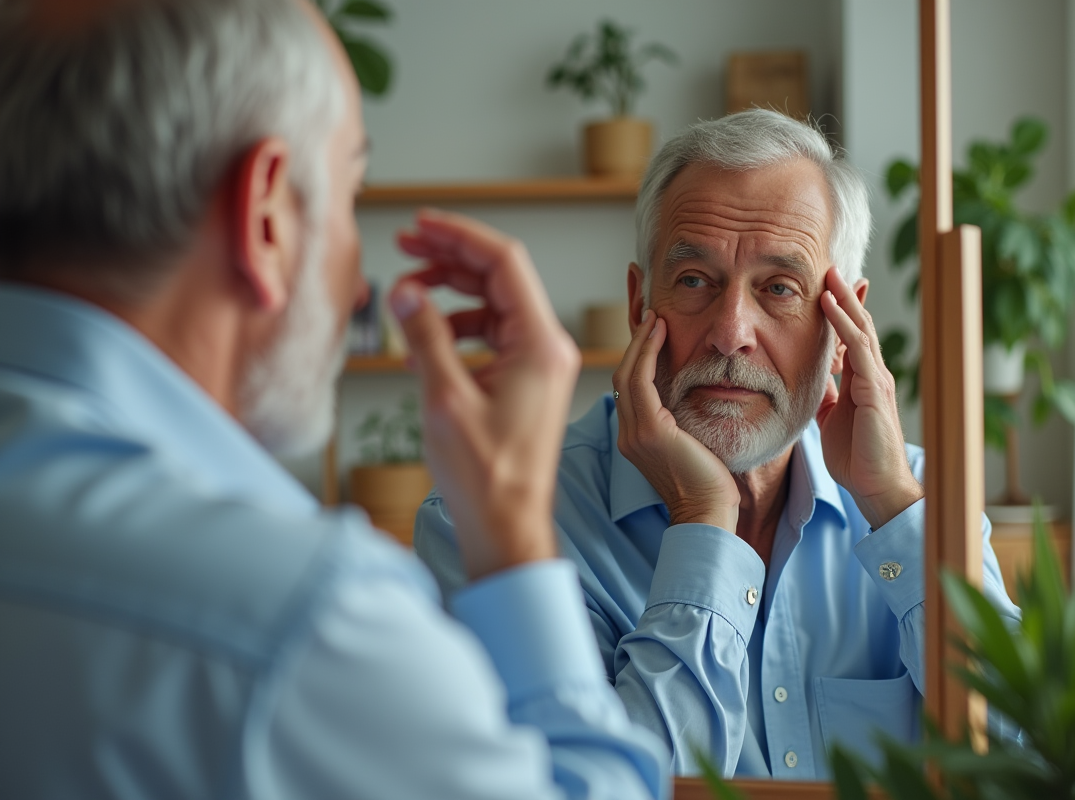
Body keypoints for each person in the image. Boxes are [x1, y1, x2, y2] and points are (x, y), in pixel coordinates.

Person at [0, 1, 668, 798]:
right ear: (267, 218)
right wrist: (516, 535)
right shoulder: (309, 624)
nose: (357, 287)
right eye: (351, 194)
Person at [415, 109, 1022, 780]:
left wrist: (895, 506)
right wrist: (703, 520)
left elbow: (1030, 761)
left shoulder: (919, 504)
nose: (731, 332)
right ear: (638, 304)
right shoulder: (489, 527)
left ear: (844, 324)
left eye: (780, 288)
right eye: (694, 281)